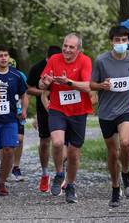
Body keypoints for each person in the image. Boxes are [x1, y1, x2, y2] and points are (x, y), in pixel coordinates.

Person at [90, 26, 129, 207]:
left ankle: (126, 173)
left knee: (126, 142)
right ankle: (115, 187)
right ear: (111, 41)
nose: (120, 43)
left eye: (123, 40)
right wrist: (101, 86)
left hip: (127, 108)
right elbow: (92, 84)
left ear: (128, 41)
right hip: (106, 112)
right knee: (113, 153)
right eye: (117, 40)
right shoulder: (101, 61)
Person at [38, 33, 92, 203]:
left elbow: (88, 86)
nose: (67, 49)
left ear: (78, 49)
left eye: (71, 47)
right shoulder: (54, 59)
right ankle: (59, 173)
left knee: (74, 154)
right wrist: (45, 82)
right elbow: (41, 84)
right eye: (65, 46)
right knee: (57, 142)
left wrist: (68, 82)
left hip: (78, 111)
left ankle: (70, 185)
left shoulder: (85, 61)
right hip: (57, 108)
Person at [0, 46, 28, 196]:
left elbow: (24, 94)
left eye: (6, 55)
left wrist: (24, 110)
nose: (3, 58)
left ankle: (1, 183)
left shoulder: (16, 75)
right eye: (0, 56)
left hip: (10, 120)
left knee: (9, 150)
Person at [26, 45, 61, 192]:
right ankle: (45, 173)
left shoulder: (65, 66)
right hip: (44, 109)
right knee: (45, 142)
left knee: (61, 142)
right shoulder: (37, 68)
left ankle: (61, 173)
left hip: (63, 108)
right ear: (46, 58)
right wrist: (43, 92)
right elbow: (28, 88)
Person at [8, 57, 27, 182]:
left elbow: (25, 94)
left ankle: (16, 166)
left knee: (19, 139)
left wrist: (24, 110)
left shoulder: (20, 76)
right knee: (6, 143)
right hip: (4, 112)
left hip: (18, 111)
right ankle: (7, 167)